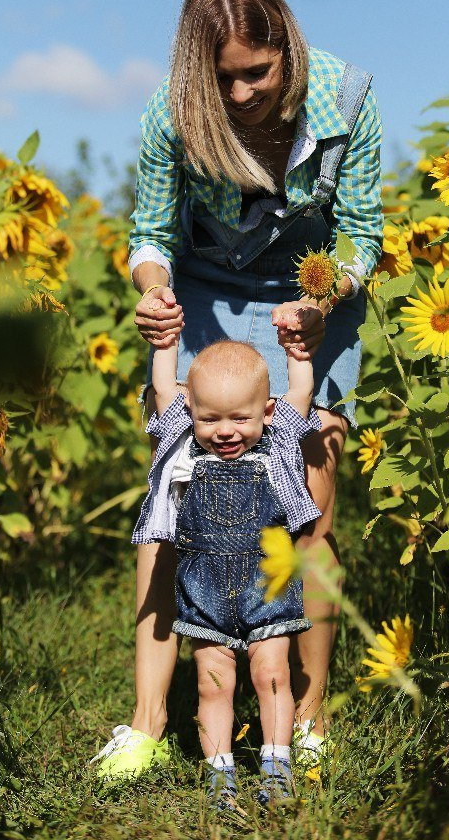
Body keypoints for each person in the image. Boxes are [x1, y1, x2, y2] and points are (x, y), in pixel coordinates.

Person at [92, 0, 382, 782]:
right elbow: (150, 233)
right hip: (208, 298)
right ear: (198, 71)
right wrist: (154, 294)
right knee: (174, 489)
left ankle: (309, 712)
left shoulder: (348, 100)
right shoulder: (170, 117)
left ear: (288, 48)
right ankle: (150, 721)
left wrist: (325, 299)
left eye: (262, 69)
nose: (247, 89)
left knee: (309, 497)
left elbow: (363, 233)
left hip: (311, 293)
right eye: (227, 77)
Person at [111, 330, 319, 808]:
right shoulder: (185, 447)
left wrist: (297, 353)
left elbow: (302, 391)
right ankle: (220, 777)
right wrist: (165, 346)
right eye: (210, 419)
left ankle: (277, 766)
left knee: (272, 674)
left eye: (241, 418)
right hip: (204, 592)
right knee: (212, 683)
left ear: (266, 413)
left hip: (267, 584)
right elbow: (164, 391)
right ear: (191, 414)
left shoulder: (279, 439)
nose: (226, 431)